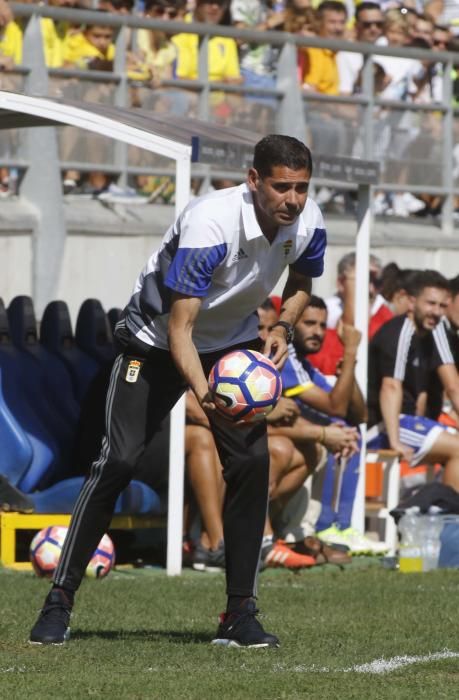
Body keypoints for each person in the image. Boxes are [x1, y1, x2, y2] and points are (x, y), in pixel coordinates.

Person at [29, 134, 327, 649]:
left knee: (252, 465)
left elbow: (302, 278)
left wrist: (281, 326)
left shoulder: (309, 221)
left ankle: (239, 614)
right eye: (282, 187)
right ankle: (58, 602)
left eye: (301, 188)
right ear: (254, 180)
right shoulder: (210, 222)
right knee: (118, 461)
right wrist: (206, 395)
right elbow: (179, 331)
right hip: (153, 342)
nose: (293, 200)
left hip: (230, 345)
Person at [367, 270, 459, 492]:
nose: (436, 312)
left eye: (441, 305)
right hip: (380, 426)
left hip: (410, 422)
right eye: (430, 303)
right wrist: (395, 440)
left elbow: (453, 386)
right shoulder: (400, 331)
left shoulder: (434, 330)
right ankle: (448, 517)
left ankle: (442, 512)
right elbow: (390, 387)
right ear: (411, 301)